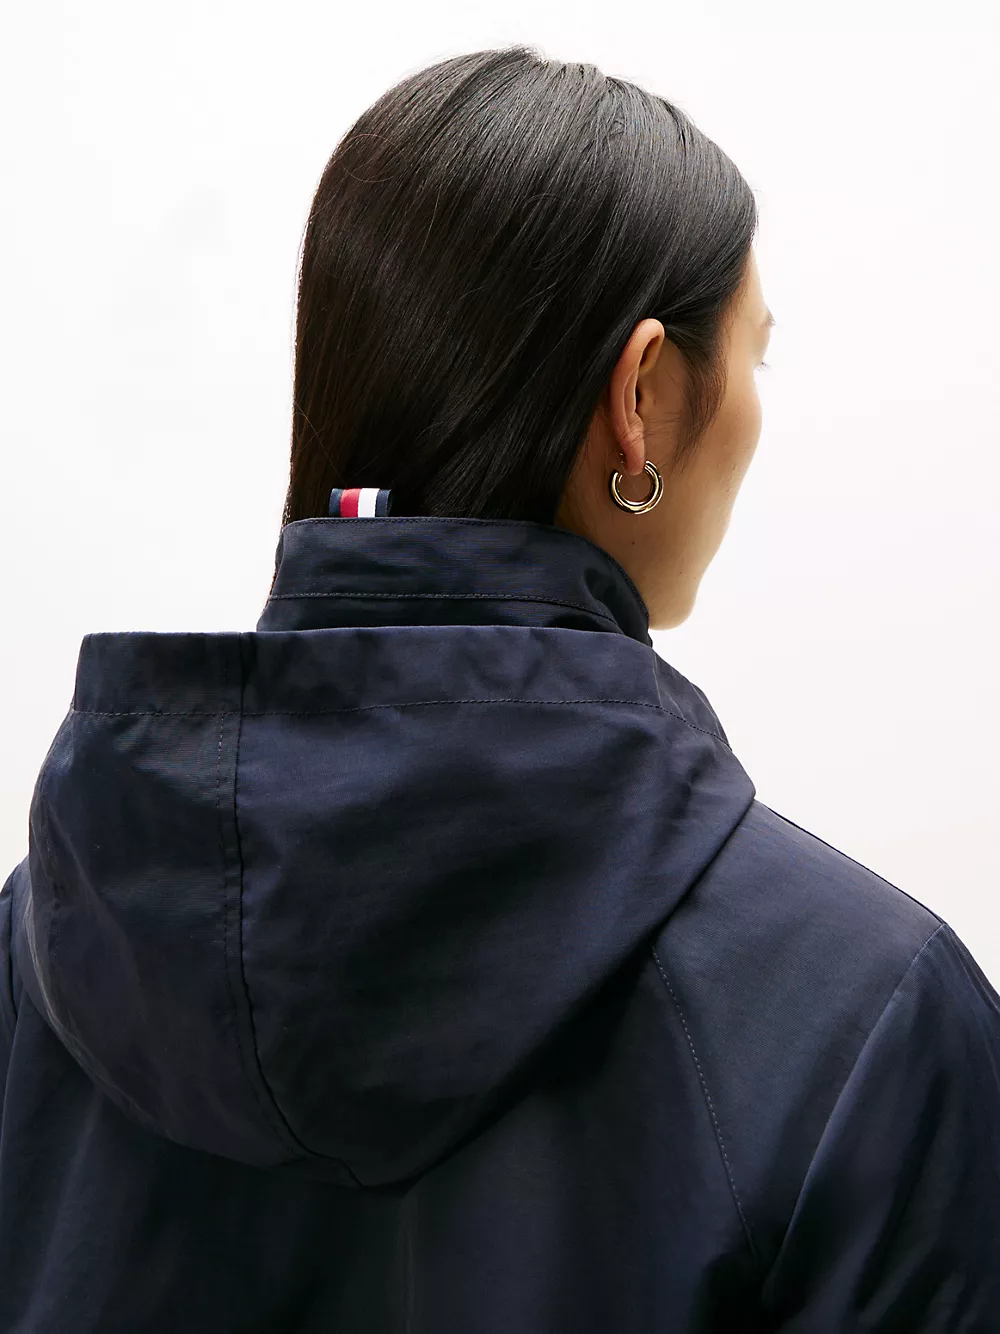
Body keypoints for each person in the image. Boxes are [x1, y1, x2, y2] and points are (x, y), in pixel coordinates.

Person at [2, 43, 998, 1334]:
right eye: (755, 354)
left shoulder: (44, 950)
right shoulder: (870, 1022)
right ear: (641, 397)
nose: (757, 407)